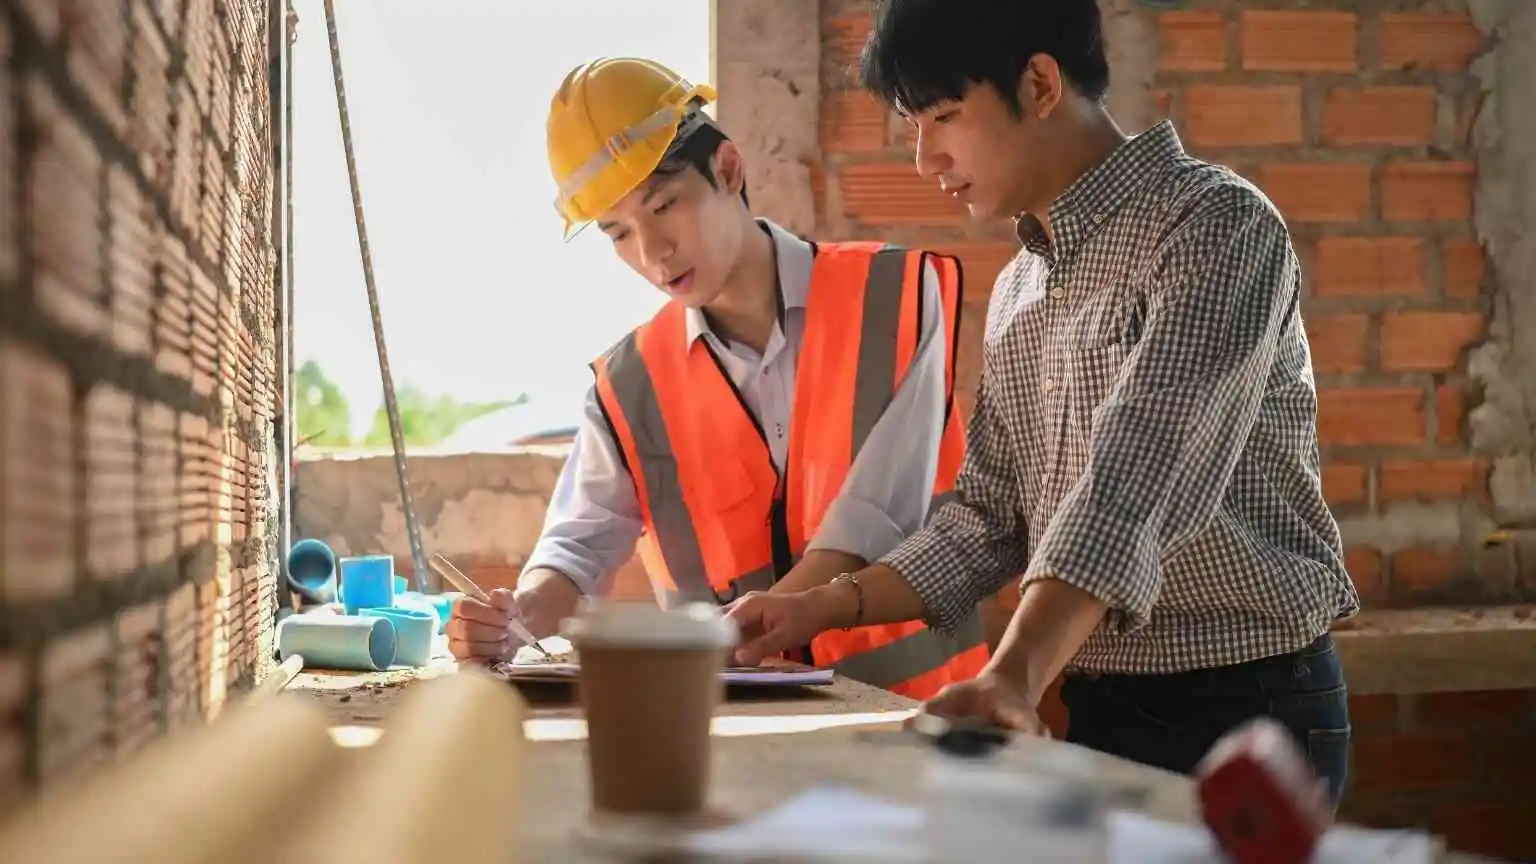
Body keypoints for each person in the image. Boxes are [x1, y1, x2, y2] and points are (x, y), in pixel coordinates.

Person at [722, 0, 1361, 805]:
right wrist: (815, 608)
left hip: (1250, 705)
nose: (926, 158)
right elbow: (985, 521)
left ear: (1038, 83)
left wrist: (1014, 672)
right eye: (913, 126)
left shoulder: (1215, 226)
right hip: (1093, 694)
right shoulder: (1026, 285)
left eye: (946, 116)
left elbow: (1135, 476)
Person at [447, 56, 991, 699]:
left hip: (917, 724)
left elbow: (872, 521)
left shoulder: (895, 299)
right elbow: (576, 551)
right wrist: (514, 620)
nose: (652, 253)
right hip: (735, 735)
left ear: (729, 170)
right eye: (619, 233)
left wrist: (715, 638)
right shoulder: (628, 389)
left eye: (665, 206)